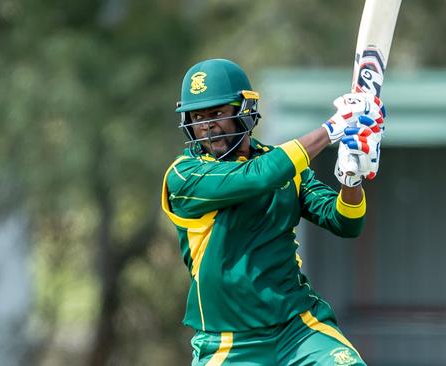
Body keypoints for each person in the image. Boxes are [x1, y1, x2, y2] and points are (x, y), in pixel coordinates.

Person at [161, 58, 385, 366]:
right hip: (228, 342)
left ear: (244, 111)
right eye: (198, 116)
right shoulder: (185, 176)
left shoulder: (283, 166)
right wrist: (332, 128)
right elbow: (257, 177)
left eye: (217, 113)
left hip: (298, 327)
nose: (207, 125)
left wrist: (352, 178)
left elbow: (345, 222)